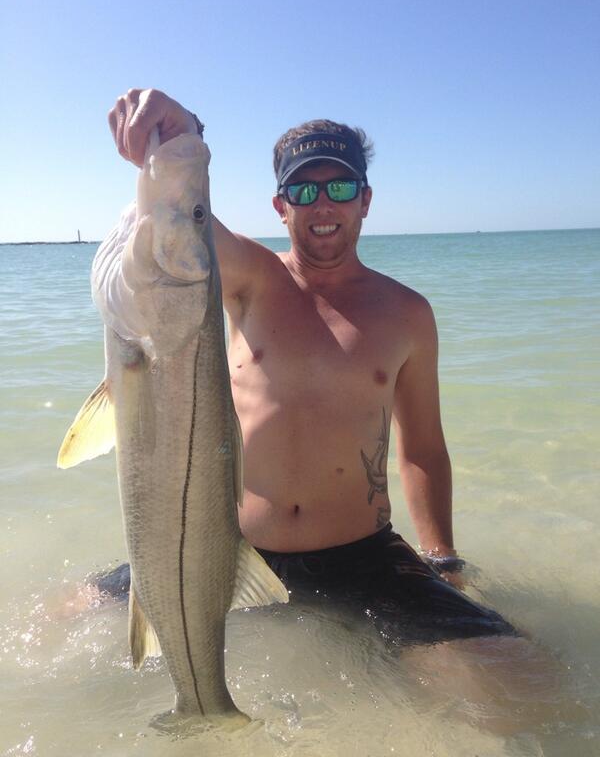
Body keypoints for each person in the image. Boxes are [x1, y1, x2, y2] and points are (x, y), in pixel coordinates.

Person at [96, 87, 516, 644]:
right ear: (280, 205)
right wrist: (184, 134)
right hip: (230, 550)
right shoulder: (251, 278)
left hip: (364, 558)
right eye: (303, 189)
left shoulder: (408, 313)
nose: (323, 205)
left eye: (339, 188)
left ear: (365, 200)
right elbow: (179, 223)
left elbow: (423, 450)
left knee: (517, 673)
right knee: (61, 613)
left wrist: (441, 558)